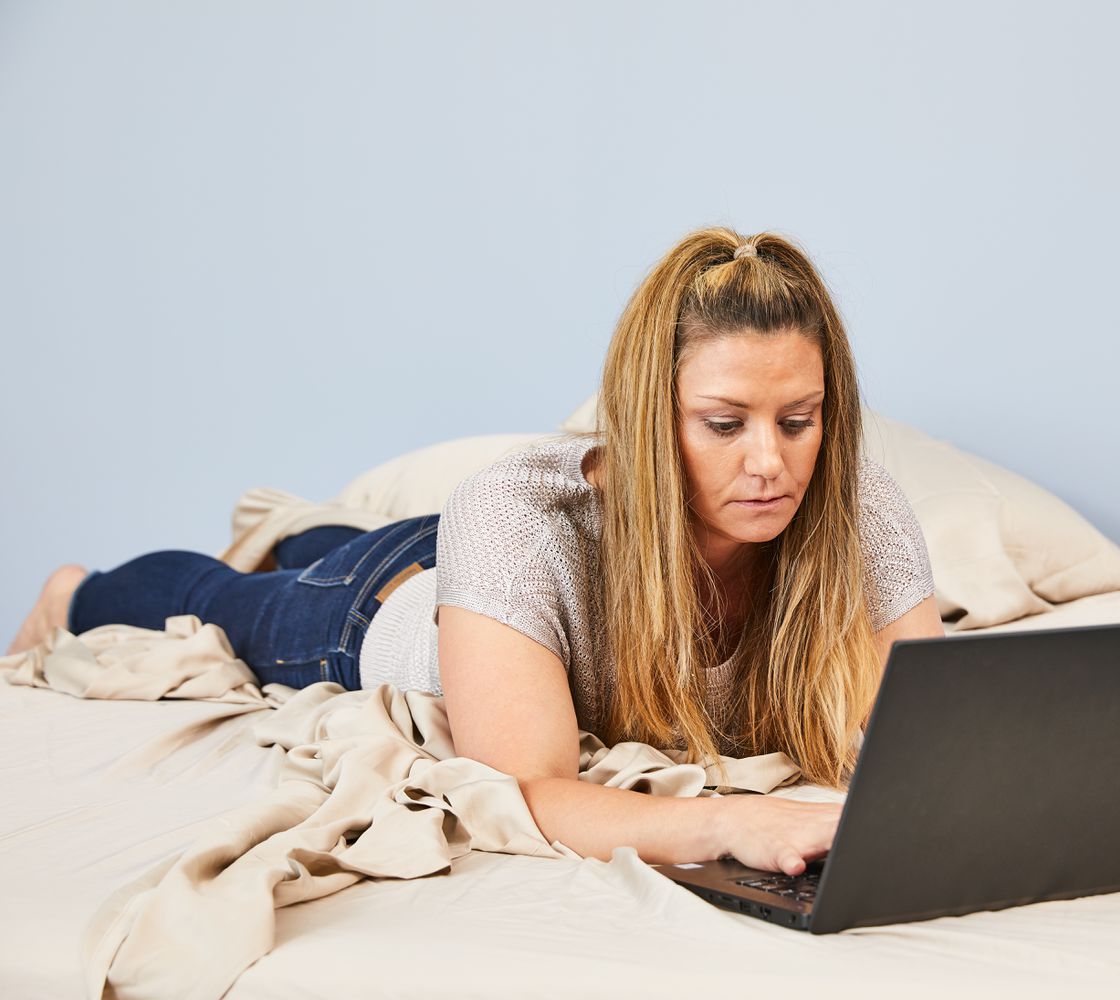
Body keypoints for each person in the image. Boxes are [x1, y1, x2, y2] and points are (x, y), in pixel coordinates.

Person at [7, 227, 944, 875]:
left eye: (799, 420)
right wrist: (731, 819)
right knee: (237, 602)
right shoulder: (514, 513)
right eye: (724, 423)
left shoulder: (856, 504)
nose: (771, 461)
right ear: (651, 422)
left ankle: (309, 523)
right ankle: (79, 589)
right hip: (382, 610)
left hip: (469, 578)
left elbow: (937, 748)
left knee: (334, 542)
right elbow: (527, 789)